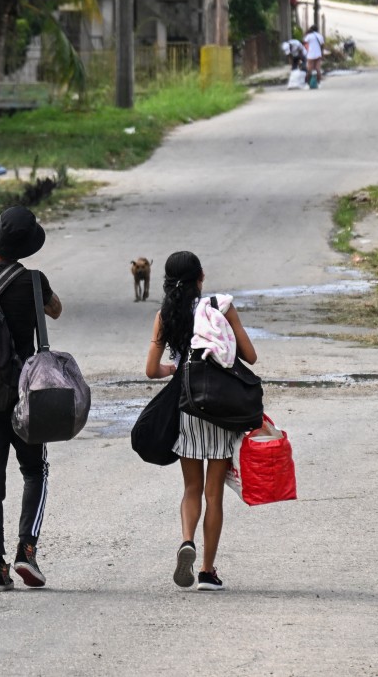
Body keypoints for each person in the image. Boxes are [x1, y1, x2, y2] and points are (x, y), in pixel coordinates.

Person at [0, 207, 62, 590]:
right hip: (25, 396)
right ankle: (27, 550)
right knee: (35, 470)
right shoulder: (33, 281)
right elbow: (56, 310)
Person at [144, 251, 257, 592]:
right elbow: (250, 356)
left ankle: (187, 540)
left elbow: (151, 370)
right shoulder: (219, 306)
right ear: (201, 276)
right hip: (220, 408)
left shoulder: (165, 315)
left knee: (191, 488)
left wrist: (175, 368)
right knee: (214, 494)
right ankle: (208, 570)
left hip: (187, 406)